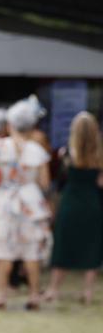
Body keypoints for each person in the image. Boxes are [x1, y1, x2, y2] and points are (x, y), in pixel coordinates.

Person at [0, 96, 52, 310]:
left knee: (3, 250)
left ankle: (1, 296)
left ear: (10, 124)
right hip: (31, 202)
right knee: (31, 251)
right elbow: (45, 183)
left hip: (4, 201)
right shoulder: (37, 150)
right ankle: (34, 296)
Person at [44, 112, 103, 304]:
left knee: (63, 246)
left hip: (70, 203)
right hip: (93, 204)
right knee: (92, 247)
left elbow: (58, 182)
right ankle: (87, 292)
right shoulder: (99, 157)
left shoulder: (65, 154)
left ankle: (53, 289)